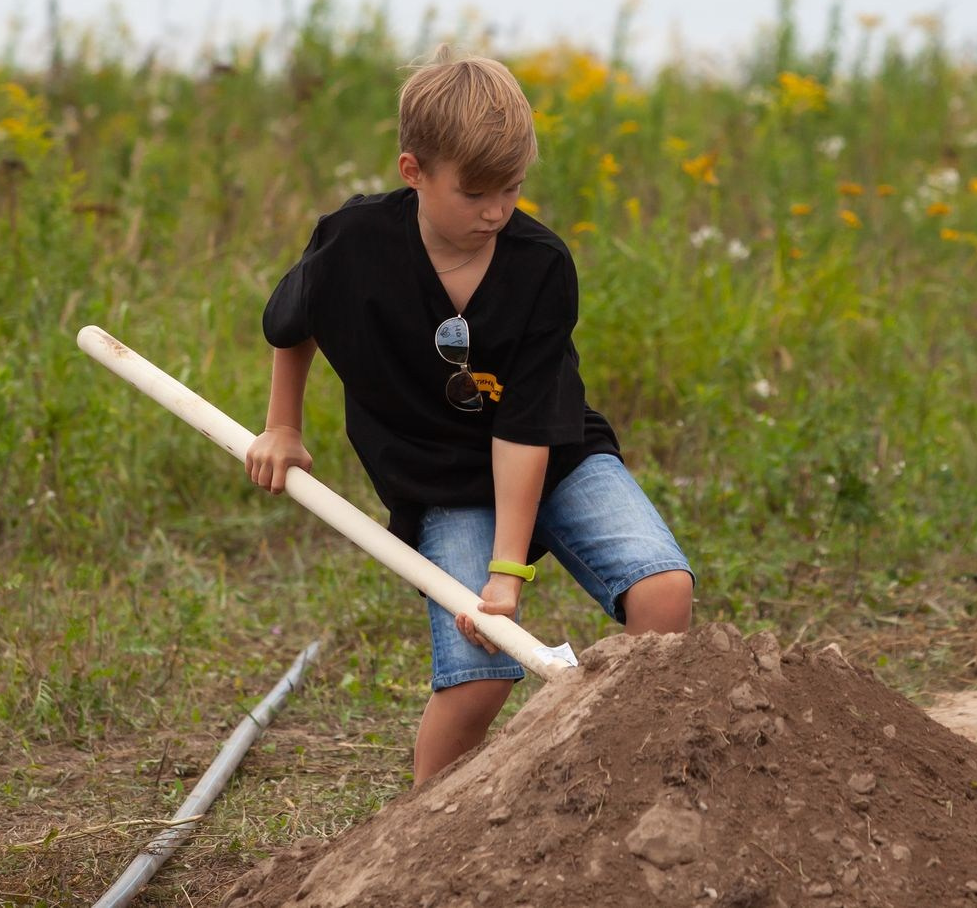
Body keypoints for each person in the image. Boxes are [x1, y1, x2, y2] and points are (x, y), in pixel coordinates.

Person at [246, 53, 694, 782]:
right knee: (482, 669)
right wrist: (282, 427)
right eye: (476, 192)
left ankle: (641, 778)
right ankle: (423, 836)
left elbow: (524, 430)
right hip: (441, 484)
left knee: (664, 590)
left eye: (512, 190)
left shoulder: (539, 265)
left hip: (554, 454)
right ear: (413, 169)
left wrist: (506, 573)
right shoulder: (354, 243)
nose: (495, 212)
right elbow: (291, 322)